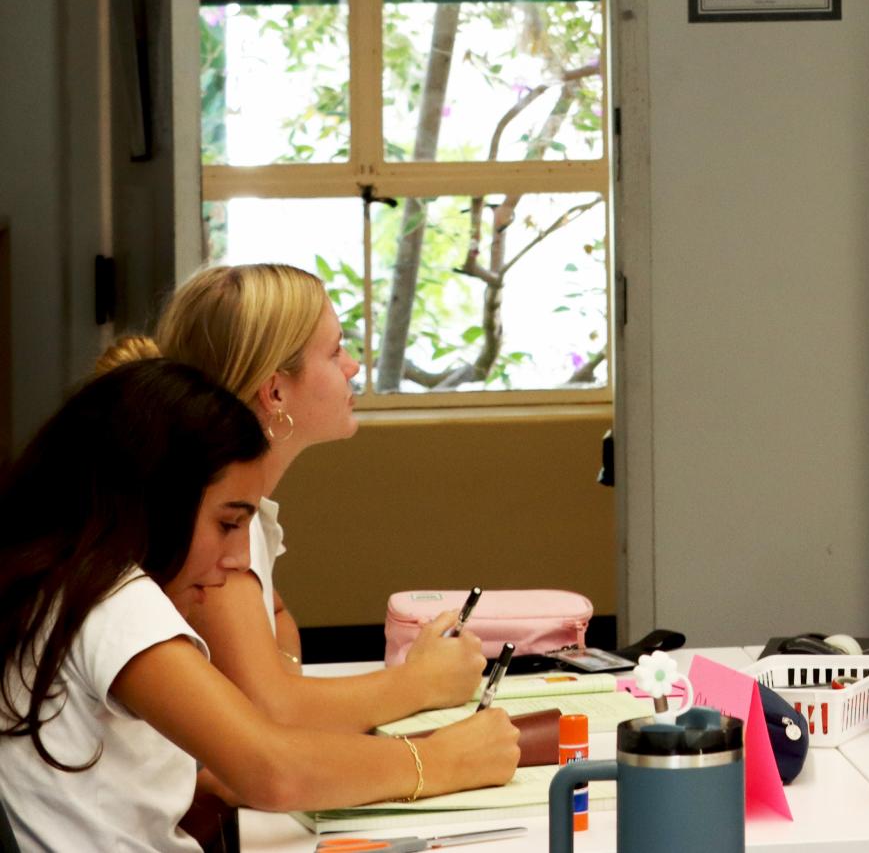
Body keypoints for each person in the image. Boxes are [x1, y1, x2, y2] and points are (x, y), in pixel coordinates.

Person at [0, 360, 518, 853]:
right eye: (227, 524)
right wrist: (440, 760)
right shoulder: (113, 597)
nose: (239, 558)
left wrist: (212, 790)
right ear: (154, 501)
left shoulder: (59, 586)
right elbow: (274, 770)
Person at [100, 263, 485, 730]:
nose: (353, 366)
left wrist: (282, 670)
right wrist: (424, 681)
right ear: (275, 391)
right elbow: (272, 711)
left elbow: (277, 625)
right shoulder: (203, 526)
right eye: (335, 350)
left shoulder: (243, 509)